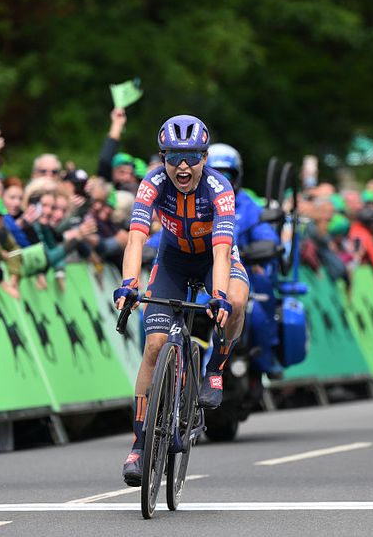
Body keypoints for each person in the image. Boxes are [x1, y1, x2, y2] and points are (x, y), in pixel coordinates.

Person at [113, 115, 249, 487]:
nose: (183, 166)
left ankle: (216, 369)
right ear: (163, 158)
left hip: (211, 261)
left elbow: (222, 253)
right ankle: (140, 446)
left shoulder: (219, 189)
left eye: (191, 157)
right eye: (174, 157)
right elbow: (136, 239)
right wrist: (128, 283)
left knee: (235, 301)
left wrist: (218, 296)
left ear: (204, 158)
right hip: (171, 261)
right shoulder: (152, 184)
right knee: (155, 346)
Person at [207, 142, 284, 378]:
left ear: (237, 176)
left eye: (227, 174)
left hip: (241, 271)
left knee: (260, 307)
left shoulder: (247, 206)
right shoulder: (194, 201)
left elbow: (267, 236)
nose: (221, 180)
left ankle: (265, 356)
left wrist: (259, 248)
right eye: (214, 174)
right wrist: (150, 247)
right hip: (202, 275)